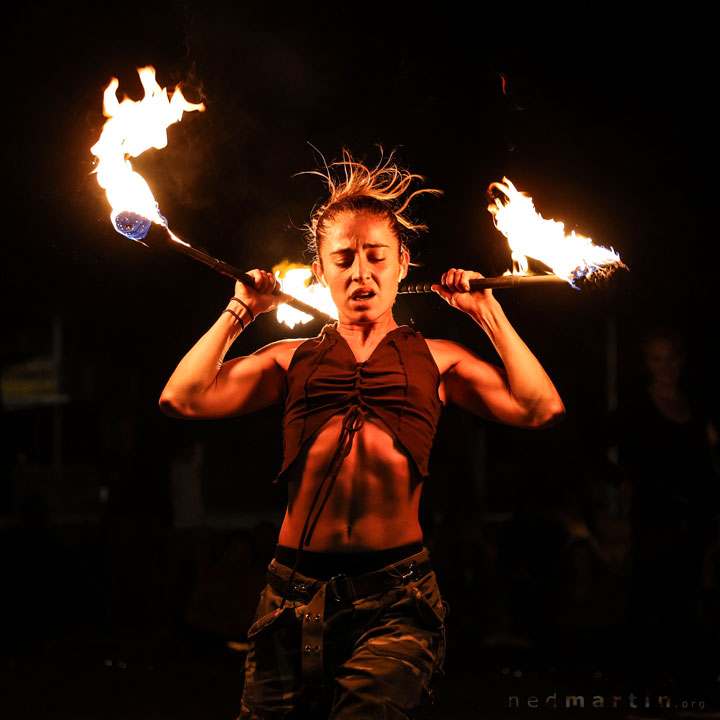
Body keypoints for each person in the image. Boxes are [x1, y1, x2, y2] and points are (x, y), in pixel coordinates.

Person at [159, 150, 565, 719]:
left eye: (376, 256)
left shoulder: (438, 359)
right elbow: (183, 398)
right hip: (289, 597)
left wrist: (487, 314)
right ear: (320, 270)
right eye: (343, 259)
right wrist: (240, 311)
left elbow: (539, 407)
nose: (361, 274)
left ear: (403, 262)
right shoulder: (289, 357)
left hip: (396, 601)